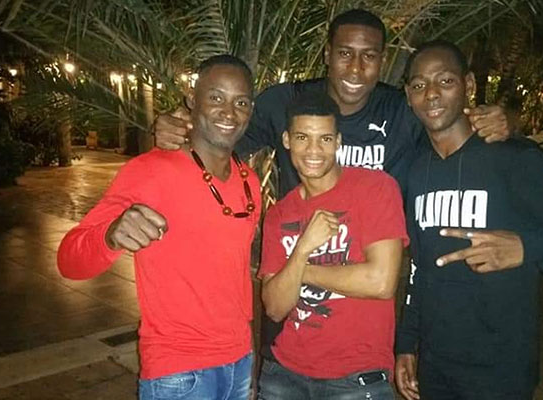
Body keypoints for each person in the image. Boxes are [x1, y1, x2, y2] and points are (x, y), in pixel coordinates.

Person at [153, 7, 511, 367]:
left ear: (383, 60)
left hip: (369, 294)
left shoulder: (402, 111)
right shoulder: (286, 103)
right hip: (296, 297)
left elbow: (453, 123)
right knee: (284, 369)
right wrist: (173, 127)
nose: (355, 69)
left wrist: (506, 120)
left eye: (369, 56)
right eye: (344, 54)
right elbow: (219, 135)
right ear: (327, 54)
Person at [394, 40, 543, 400]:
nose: (431, 94)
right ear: (408, 95)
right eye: (419, 85)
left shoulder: (514, 159)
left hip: (502, 371)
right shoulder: (417, 170)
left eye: (445, 81)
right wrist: (407, 343)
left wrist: (526, 248)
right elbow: (420, 267)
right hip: (436, 368)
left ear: (469, 86)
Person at [57, 54, 261, 400]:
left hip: (239, 362)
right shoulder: (150, 171)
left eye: (240, 102)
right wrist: (110, 235)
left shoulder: (249, 181)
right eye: (215, 98)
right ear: (190, 101)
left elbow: (237, 279)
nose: (229, 112)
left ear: (251, 110)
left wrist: (250, 361)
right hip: (179, 372)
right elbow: (68, 261)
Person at [256, 93, 408, 399]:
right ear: (287, 140)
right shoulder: (279, 214)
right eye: (303, 137)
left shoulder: (376, 188)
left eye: (325, 139)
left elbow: (380, 282)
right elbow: (274, 307)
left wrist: (302, 270)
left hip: (355, 378)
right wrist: (302, 249)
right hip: (283, 375)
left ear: (338, 141)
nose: (314, 150)